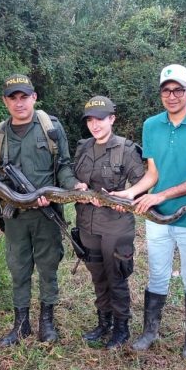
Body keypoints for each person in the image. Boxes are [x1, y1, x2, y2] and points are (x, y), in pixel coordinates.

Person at [111, 64, 186, 359]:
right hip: (156, 217)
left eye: (178, 90)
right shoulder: (151, 125)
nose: (172, 96)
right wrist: (132, 192)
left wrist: (160, 195)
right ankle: (149, 331)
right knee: (157, 274)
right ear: (160, 93)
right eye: (166, 90)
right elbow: (152, 174)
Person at [0, 74, 80, 346]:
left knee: (48, 266)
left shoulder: (50, 127)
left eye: (24, 97)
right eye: (13, 98)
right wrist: (8, 197)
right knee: (18, 267)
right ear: (5, 101)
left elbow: (63, 164)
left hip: (46, 213)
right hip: (15, 216)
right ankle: (21, 324)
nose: (19, 103)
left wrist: (71, 185)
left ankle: (47, 322)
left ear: (34, 97)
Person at [73, 96, 145, 349]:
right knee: (98, 277)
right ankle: (104, 323)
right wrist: (76, 185)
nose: (95, 125)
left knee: (116, 277)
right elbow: (71, 174)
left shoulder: (126, 149)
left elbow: (143, 183)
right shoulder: (83, 147)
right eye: (90, 120)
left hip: (116, 225)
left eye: (100, 119)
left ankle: (121, 327)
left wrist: (127, 195)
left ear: (112, 119)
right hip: (87, 223)